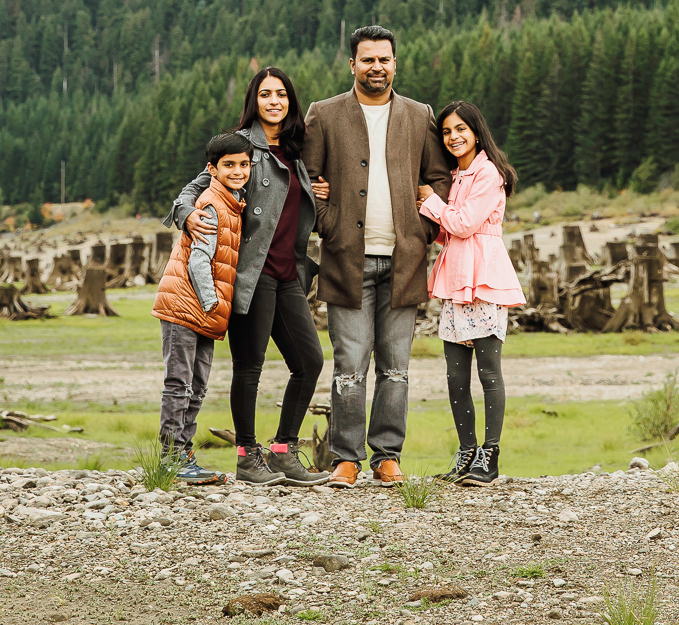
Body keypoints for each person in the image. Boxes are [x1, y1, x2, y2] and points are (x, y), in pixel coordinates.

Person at [164, 66, 331, 486]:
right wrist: (187, 216)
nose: (274, 101)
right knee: (249, 366)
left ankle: (283, 450)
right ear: (253, 101)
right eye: (265, 94)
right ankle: (246, 455)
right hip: (249, 273)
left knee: (309, 361)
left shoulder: (295, 150)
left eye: (281, 95)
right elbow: (192, 189)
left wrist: (316, 188)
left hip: (289, 272)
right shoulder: (241, 147)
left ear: (291, 101)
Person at [303, 25, 452, 487]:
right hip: (347, 260)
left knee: (396, 366)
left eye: (384, 59)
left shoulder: (418, 114)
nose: (376, 67)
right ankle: (344, 458)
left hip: (404, 259)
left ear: (395, 62)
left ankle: (387, 455)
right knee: (350, 364)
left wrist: (425, 228)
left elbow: (440, 178)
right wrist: (327, 223)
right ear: (352, 64)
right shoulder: (323, 115)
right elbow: (306, 182)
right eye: (367, 59)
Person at [417, 100, 524, 486]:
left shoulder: (488, 173)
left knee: (488, 372)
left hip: (484, 276)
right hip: (455, 278)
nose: (453, 137)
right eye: (446, 131)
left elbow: (463, 224)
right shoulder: (455, 175)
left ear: (476, 132)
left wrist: (429, 200)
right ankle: (465, 452)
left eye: (460, 129)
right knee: (455, 376)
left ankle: (489, 455)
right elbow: (448, 230)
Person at [150, 134, 249, 485]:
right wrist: (212, 302)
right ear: (211, 169)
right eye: (229, 165)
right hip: (185, 306)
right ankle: (171, 458)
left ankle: (184, 452)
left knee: (199, 383)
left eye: (244, 165)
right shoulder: (210, 203)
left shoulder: (234, 201)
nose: (238, 171)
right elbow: (199, 261)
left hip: (204, 312)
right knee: (179, 383)